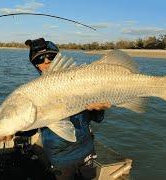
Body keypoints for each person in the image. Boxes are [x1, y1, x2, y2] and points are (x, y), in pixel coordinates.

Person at [25, 38, 111, 180]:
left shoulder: (82, 83)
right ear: (36, 65)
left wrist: (98, 108)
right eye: (40, 59)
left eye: (51, 56)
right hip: (59, 156)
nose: (46, 61)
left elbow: (98, 119)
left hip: (86, 150)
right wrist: (10, 128)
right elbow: (30, 129)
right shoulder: (32, 93)